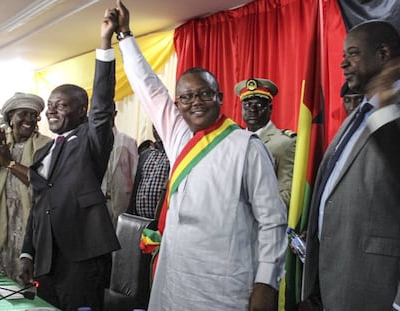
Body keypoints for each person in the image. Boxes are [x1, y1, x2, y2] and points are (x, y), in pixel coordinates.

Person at [115, 1, 287, 310]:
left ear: (220, 98)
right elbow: (149, 89)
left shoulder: (247, 147)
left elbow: (272, 221)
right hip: (174, 280)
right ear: (178, 104)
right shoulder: (180, 137)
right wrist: (125, 36)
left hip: (222, 286)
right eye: (186, 96)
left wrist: (266, 282)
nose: (196, 102)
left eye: (205, 93)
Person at [19, 9, 120, 311]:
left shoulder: (92, 138)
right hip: (48, 258)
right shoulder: (43, 153)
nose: (51, 111)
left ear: (81, 111)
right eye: (50, 105)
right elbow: (39, 207)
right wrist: (27, 253)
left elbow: (103, 103)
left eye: (61, 106)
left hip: (83, 255)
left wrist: (105, 43)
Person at [302, 20, 400, 311]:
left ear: (383, 53)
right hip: (332, 283)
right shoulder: (357, 114)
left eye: (354, 53)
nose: (343, 63)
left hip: (376, 290)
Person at [0, 93, 51, 282]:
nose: (29, 120)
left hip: (27, 221)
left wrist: (9, 162)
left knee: (24, 279)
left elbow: (42, 184)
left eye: (34, 115)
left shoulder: (45, 146)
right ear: (10, 117)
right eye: (23, 114)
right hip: (0, 218)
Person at [235, 78, 296, 208]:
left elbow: (287, 194)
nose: (252, 109)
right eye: (247, 104)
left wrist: (251, 212)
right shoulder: (234, 141)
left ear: (270, 108)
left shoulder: (285, 143)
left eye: (259, 104)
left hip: (262, 220)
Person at [101, 110, 138, 227]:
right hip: (99, 203)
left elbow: (134, 173)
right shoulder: (91, 141)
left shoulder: (129, 141)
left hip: (122, 202)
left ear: (115, 113)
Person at [127, 125, 170, 219]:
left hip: (161, 224)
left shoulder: (173, 155)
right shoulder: (145, 154)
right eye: (154, 126)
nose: (157, 129)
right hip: (139, 220)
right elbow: (136, 186)